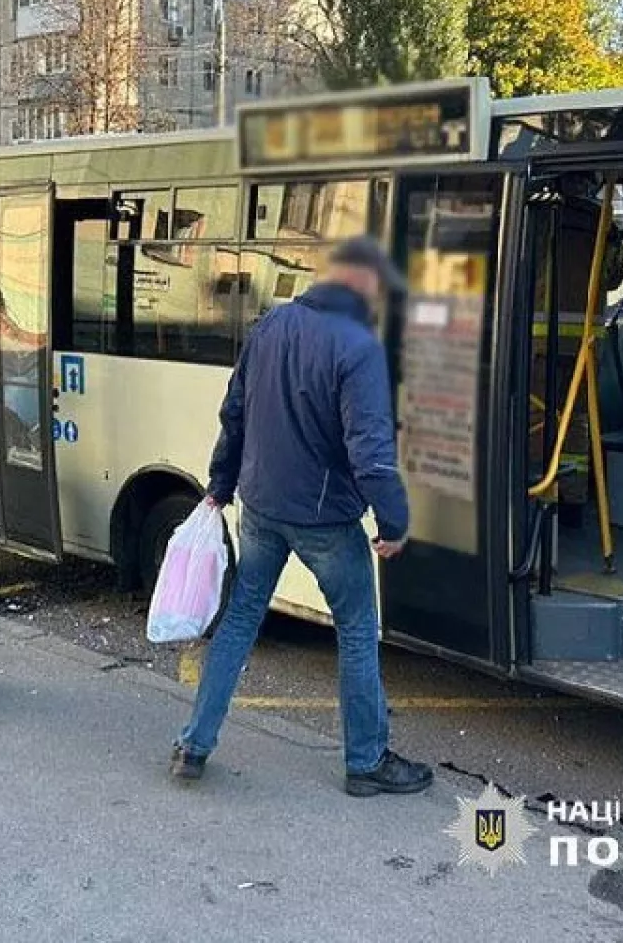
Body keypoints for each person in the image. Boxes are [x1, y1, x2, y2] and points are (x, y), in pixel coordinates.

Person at [171, 235, 433, 797]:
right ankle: (365, 762)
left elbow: (234, 414)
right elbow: (371, 454)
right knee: (358, 629)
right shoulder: (358, 346)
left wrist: (220, 484)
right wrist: (395, 524)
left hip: (260, 506)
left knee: (240, 620)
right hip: (325, 521)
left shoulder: (270, 327)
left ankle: (193, 745)